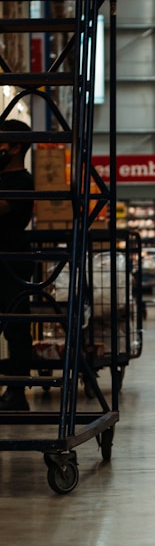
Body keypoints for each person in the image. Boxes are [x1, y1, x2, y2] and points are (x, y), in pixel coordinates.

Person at [0, 119, 35, 411]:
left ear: (15, 147)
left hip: (13, 262)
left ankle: (17, 391)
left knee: (16, 325)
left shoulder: (23, 180)